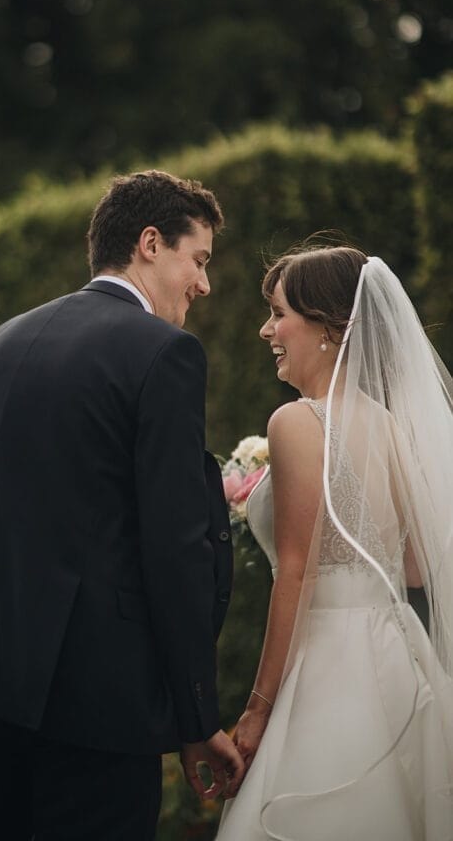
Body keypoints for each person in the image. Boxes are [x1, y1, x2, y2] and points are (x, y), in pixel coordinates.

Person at [0, 169, 245, 841]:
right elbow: (173, 547)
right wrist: (197, 717)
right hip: (95, 714)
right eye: (197, 260)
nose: (205, 284)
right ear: (149, 243)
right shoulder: (164, 354)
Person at [218, 244, 453, 841]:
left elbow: (298, 573)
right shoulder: (391, 427)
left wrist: (258, 708)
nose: (266, 328)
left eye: (278, 313)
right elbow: (418, 569)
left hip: (326, 663)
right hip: (399, 654)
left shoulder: (296, 422)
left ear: (325, 326)